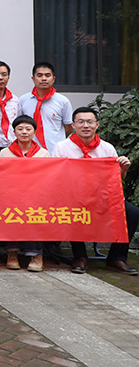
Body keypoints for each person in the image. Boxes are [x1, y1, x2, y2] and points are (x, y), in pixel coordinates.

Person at [52, 107, 139, 276]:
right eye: (81, 122)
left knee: (132, 212)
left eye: (89, 122)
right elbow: (57, 177)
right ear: (73, 125)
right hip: (74, 196)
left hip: (102, 196)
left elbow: (117, 179)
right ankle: (80, 256)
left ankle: (116, 258)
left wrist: (123, 169)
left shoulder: (107, 148)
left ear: (97, 125)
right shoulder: (62, 147)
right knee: (72, 209)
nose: (85, 125)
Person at [0, 115, 49, 272]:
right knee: (11, 214)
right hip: (12, 196)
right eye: (20, 129)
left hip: (35, 197)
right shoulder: (5, 153)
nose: (24, 132)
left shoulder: (43, 153)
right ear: (14, 132)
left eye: (28, 129)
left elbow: (47, 178)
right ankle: (12, 253)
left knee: (35, 215)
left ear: (34, 132)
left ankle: (36, 255)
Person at [18, 62, 73, 152]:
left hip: (55, 151)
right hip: (30, 151)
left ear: (53, 79)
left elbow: (69, 127)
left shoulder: (63, 101)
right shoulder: (23, 100)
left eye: (47, 75)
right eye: (39, 75)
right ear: (33, 79)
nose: (44, 79)